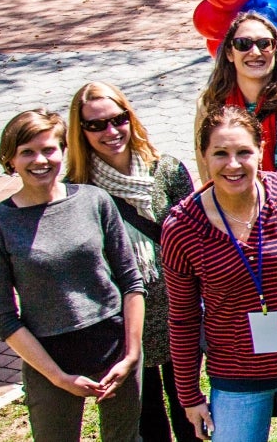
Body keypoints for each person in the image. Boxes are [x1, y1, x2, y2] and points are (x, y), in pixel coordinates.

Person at [162, 106, 277, 442]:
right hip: (236, 377)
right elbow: (182, 317)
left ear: (261, 149)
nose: (233, 164)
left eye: (243, 152)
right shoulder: (182, 227)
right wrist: (189, 395)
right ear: (204, 156)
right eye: (220, 153)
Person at [0, 109, 145, 441]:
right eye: (27, 152)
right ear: (10, 159)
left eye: (49, 149)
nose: (40, 160)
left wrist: (132, 353)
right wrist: (57, 377)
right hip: (50, 355)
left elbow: (131, 280)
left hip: (114, 344)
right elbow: (5, 318)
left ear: (64, 151)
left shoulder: (95, 201)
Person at [62, 82, 198, 442]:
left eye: (117, 119)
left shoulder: (165, 170)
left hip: (176, 312)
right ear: (80, 132)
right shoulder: (76, 188)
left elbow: (194, 238)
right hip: (123, 319)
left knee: (190, 409)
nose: (110, 132)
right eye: (95, 125)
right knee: (146, 415)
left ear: (130, 118)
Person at [196, 13, 277, 181]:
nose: (255, 52)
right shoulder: (210, 105)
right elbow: (207, 171)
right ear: (229, 53)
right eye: (243, 44)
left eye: (265, 44)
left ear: (276, 51)